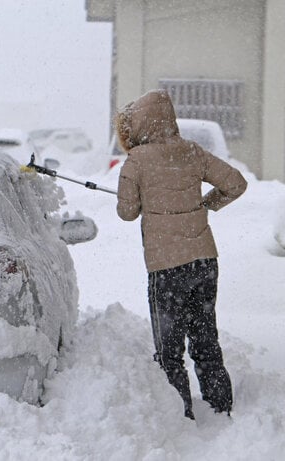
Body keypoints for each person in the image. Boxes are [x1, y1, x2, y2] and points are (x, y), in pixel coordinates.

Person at [114, 89, 247, 420]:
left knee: (169, 350)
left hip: (166, 268)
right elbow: (236, 183)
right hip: (204, 262)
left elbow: (127, 212)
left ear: (139, 124)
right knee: (205, 340)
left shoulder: (137, 160)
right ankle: (221, 408)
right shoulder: (193, 152)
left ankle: (179, 416)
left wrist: (143, 197)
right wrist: (206, 204)